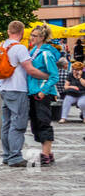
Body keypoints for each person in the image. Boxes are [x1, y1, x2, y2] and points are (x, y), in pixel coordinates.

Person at [0, 20, 48, 168]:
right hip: (18, 89)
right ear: (22, 32)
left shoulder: (2, 45)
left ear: (9, 31)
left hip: (4, 88)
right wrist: (47, 76)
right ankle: (15, 157)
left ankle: (7, 155)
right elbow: (30, 70)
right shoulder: (20, 48)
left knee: (7, 123)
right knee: (18, 124)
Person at [27, 24, 60, 166]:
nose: (31, 37)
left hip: (41, 93)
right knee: (36, 122)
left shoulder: (46, 53)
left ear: (42, 37)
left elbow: (54, 76)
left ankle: (45, 154)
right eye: (31, 35)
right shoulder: (34, 51)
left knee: (43, 122)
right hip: (33, 91)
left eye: (34, 36)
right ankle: (48, 152)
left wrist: (43, 91)